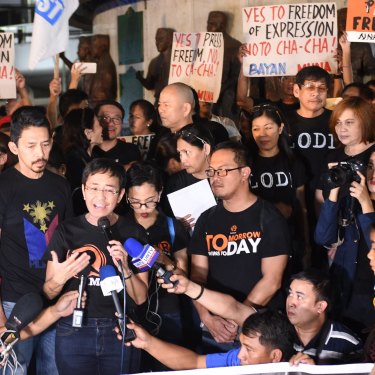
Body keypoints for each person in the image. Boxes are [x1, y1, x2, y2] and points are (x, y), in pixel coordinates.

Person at [43, 158, 148, 375]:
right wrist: (60, 278)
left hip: (121, 329)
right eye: (94, 188)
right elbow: (48, 292)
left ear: (120, 195)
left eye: (109, 190)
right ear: (83, 190)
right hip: (73, 329)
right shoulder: (66, 231)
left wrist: (126, 269)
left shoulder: (134, 232)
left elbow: (140, 298)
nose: (100, 197)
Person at [0, 106, 81, 375]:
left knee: (56, 369)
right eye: (31, 145)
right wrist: (1, 320)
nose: (40, 153)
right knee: (15, 370)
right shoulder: (4, 187)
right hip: (15, 302)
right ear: (14, 147)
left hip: (57, 299)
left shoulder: (60, 185)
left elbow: (69, 240)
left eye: (45, 144)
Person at [189, 141, 290, 353]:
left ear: (245, 173)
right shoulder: (206, 220)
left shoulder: (269, 217)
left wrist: (237, 317)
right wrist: (206, 317)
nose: (215, 177)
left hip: (258, 329)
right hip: (214, 328)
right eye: (212, 171)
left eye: (223, 170)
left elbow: (272, 280)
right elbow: (197, 276)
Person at [161, 269, 363, 365]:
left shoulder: (347, 342)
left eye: (300, 297)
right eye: (290, 293)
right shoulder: (276, 325)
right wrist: (190, 288)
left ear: (321, 306)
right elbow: (234, 309)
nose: (291, 301)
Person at [315, 97, 375, 332]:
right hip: (341, 245)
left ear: (366, 122)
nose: (342, 129)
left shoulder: (372, 156)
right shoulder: (332, 157)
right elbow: (321, 203)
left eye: (350, 123)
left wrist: (365, 200)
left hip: (367, 246)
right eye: (338, 123)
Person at [125, 161, 190, 370]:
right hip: (131, 312)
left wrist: (164, 260)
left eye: (150, 201)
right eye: (135, 202)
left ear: (160, 194)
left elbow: (184, 273)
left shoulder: (173, 226)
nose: (143, 209)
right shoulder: (120, 226)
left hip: (168, 310)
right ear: (125, 196)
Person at [119, 309, 295, 368]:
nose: (240, 355)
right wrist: (147, 343)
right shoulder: (236, 359)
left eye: (249, 349)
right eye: (242, 346)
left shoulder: (300, 368)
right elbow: (194, 362)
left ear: (275, 356)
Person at [248, 104, 308, 272]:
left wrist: (307, 245)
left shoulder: (294, 163)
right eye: (256, 129)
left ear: (280, 128)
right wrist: (273, 208)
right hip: (255, 239)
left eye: (268, 128)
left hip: (290, 237)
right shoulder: (245, 164)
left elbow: (302, 206)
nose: (262, 135)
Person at [286, 65, 335, 268]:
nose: (316, 93)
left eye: (322, 88)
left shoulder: (337, 120)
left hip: (330, 200)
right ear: (297, 91)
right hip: (296, 201)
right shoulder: (285, 123)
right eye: (310, 87)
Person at [163, 123, 213, 227]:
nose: (183, 159)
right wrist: (178, 226)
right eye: (180, 153)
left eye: (187, 152)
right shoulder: (175, 183)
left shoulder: (224, 177)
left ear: (206, 148)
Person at [60, 107, 103, 215]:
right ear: (88, 133)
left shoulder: (94, 157)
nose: (102, 128)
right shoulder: (73, 162)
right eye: (99, 125)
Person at [206, 11, 241, 122]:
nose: (209, 27)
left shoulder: (234, 46)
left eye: (213, 24)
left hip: (227, 92)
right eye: (208, 23)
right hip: (207, 91)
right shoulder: (203, 44)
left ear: (222, 26)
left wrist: (221, 89)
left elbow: (237, 75)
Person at [93, 100, 141, 169]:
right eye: (105, 118)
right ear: (95, 121)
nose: (111, 123)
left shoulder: (131, 150)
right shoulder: (88, 151)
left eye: (116, 119)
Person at [136, 28, 174, 103]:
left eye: (161, 39)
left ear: (170, 40)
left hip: (175, 100)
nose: (157, 42)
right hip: (159, 101)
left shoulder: (177, 60)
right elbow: (150, 85)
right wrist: (141, 78)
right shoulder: (154, 62)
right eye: (156, 40)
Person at [89, 34, 118, 107]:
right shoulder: (100, 64)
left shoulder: (106, 66)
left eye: (94, 46)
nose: (91, 49)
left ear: (102, 48)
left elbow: (104, 93)